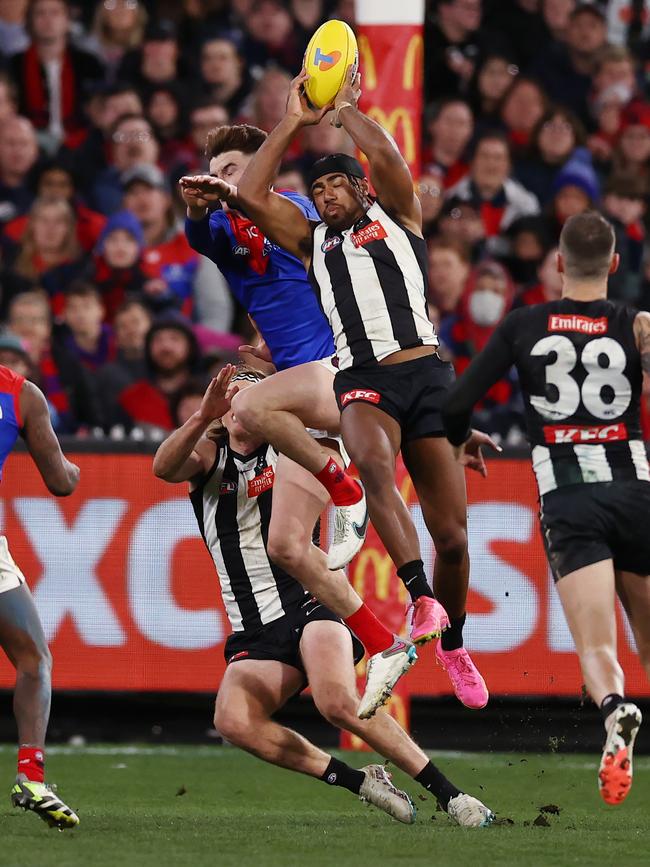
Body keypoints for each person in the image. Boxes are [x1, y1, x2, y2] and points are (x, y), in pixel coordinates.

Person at [234, 69, 491, 718]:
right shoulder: (313, 241)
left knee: (453, 536)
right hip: (361, 382)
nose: (324, 196)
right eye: (316, 189)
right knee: (373, 466)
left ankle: (453, 641)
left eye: (334, 184)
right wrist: (292, 121)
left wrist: (345, 110)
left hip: (427, 374)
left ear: (359, 186)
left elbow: (389, 156)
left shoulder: (399, 213)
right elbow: (246, 194)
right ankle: (418, 595)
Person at [153, 364, 494, 829]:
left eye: (254, 398)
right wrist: (198, 418)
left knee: (336, 701)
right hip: (255, 622)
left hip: (314, 601)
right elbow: (162, 467)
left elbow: (362, 418)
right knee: (234, 720)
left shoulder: (294, 452)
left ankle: (452, 796)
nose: (243, 408)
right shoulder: (209, 458)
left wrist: (449, 434)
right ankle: (360, 782)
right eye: (233, 399)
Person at [180, 122, 410, 720]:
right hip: (302, 398)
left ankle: (347, 489)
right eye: (220, 170)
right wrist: (200, 205)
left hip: (341, 376)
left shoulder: (309, 214)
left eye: (236, 169)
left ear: (265, 168)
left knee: (252, 407)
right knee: (285, 545)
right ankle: (386, 643)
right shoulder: (220, 228)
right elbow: (202, 228)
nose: (225, 180)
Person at [442, 211, 648, 806]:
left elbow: (457, 403)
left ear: (558, 263)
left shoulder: (524, 323)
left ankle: (614, 711)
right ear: (613, 264)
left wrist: (460, 441)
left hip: (569, 497)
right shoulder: (636, 324)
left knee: (597, 648)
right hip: (635, 490)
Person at [0, 358, 80, 827]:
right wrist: (74, 472)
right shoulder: (20, 393)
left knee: (35, 658)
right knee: (33, 661)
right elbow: (61, 481)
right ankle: (30, 777)